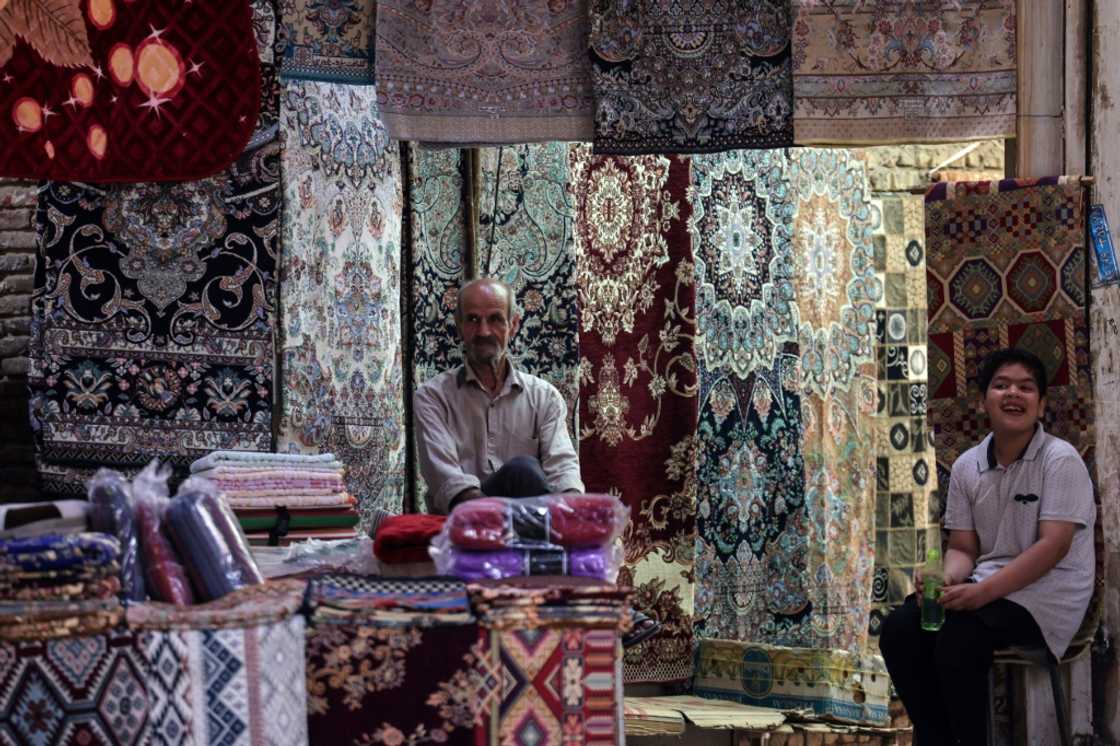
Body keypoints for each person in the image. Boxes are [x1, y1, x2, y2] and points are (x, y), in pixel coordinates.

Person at [413, 277, 660, 647]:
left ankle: (585, 592)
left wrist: (576, 526)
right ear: (459, 326)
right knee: (524, 472)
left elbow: (563, 470)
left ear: (513, 324)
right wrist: (531, 522)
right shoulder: (432, 397)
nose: (484, 331)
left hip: (536, 529)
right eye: (473, 320)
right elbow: (451, 484)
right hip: (466, 528)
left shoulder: (544, 397)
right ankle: (597, 602)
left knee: (554, 499)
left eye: (495, 319)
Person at [878, 348, 1095, 746]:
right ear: (983, 401)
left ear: (1041, 404)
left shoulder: (1060, 460)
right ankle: (937, 739)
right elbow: (964, 548)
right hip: (991, 585)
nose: (1014, 394)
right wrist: (944, 576)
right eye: (1002, 386)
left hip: (1050, 593)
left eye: (1026, 388)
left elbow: (1054, 547)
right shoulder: (966, 466)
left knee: (958, 635)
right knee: (900, 629)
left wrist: (979, 594)